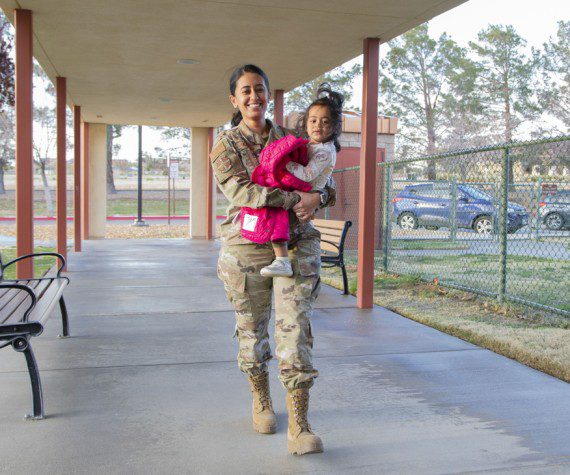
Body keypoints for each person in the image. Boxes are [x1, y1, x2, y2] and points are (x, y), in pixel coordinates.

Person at [210, 64, 336, 455]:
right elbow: (243, 192)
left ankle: (299, 425)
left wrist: (320, 198)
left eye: (259, 89)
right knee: (252, 331)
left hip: (296, 244)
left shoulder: (293, 137)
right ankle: (261, 399)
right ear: (234, 99)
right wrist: (297, 199)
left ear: (268, 94)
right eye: (245, 91)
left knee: (295, 330)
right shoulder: (225, 146)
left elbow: (322, 180)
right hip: (246, 249)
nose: (254, 97)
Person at [259, 83, 344, 277]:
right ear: (305, 123)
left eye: (325, 122)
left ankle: (281, 260)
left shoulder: (323, 150)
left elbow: (308, 175)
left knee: (278, 212)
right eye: (313, 120)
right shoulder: (311, 145)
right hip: (300, 193)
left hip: (303, 194)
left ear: (334, 127)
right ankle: (280, 258)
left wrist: (283, 163)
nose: (318, 125)